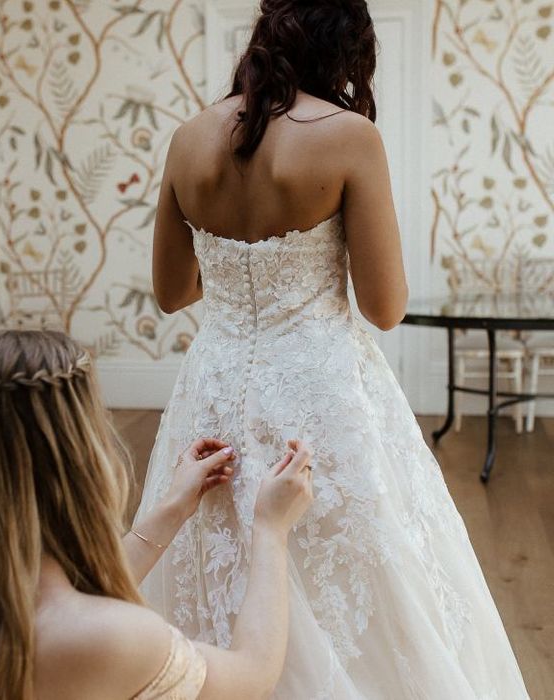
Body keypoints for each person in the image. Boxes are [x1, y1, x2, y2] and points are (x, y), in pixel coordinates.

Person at [134, 1, 531, 697]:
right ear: (346, 47)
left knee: (215, 551)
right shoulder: (349, 138)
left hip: (216, 384)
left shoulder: (188, 138)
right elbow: (384, 306)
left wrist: (234, 265)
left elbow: (171, 292)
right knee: (349, 565)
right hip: (319, 390)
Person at [0, 329, 314, 699]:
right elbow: (253, 676)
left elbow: (65, 597)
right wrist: (270, 529)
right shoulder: (116, 639)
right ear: (80, 453)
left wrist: (174, 506)